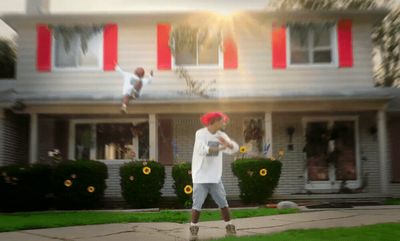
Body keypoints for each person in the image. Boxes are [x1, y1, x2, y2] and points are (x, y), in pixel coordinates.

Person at [190, 112, 239, 241]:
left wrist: (229, 145)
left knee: (223, 203)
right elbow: (202, 150)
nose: (224, 123)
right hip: (200, 176)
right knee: (197, 204)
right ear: (214, 121)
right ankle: (193, 228)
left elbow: (234, 149)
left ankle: (229, 226)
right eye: (222, 121)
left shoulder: (221, 135)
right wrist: (220, 147)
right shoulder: (200, 133)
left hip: (215, 177)